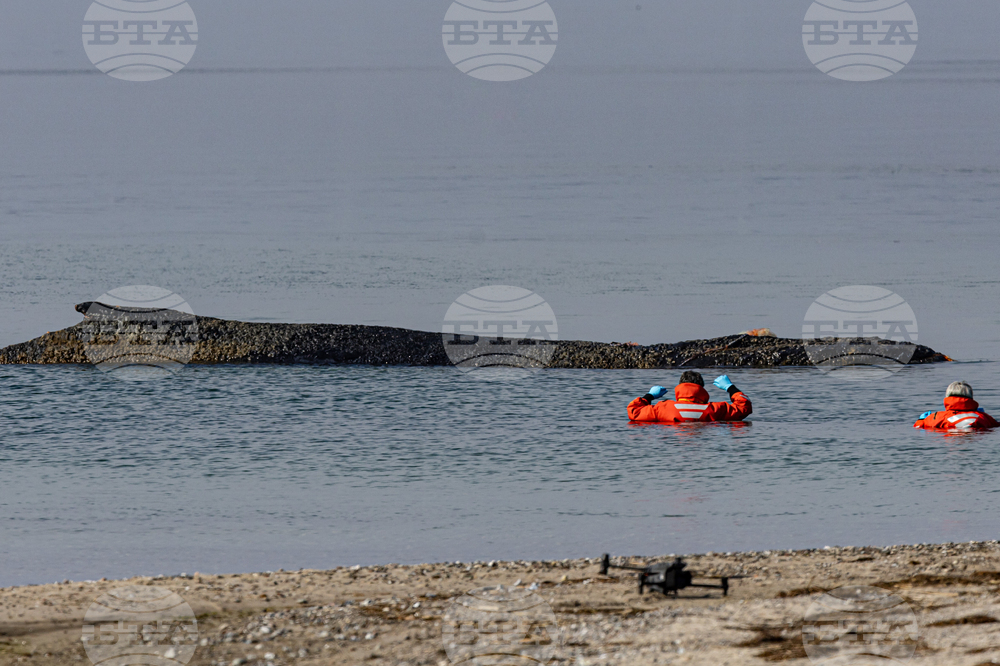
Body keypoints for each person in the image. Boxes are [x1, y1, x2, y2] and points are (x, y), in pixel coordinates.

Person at [628, 371, 752, 423]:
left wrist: (649, 396)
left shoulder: (663, 408)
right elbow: (744, 407)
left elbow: (634, 412)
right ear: (702, 389)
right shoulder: (715, 409)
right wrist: (730, 388)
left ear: (679, 387)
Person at [913, 381, 999, 430]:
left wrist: (921, 419)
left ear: (947, 396)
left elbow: (917, 426)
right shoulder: (984, 417)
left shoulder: (935, 417)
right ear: (970, 397)